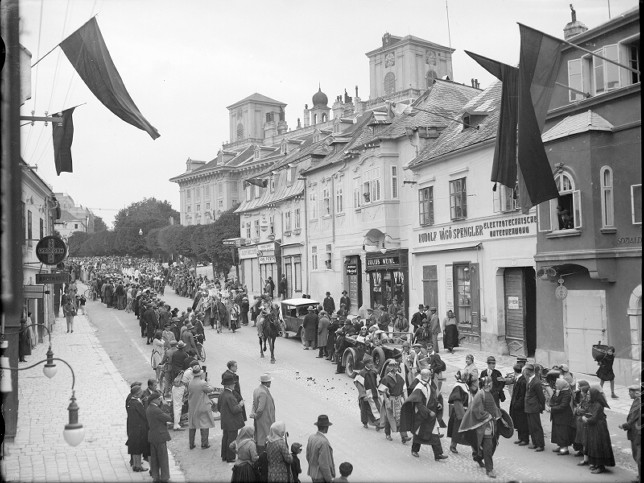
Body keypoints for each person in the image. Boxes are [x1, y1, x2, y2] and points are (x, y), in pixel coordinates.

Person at [400, 368, 448, 461]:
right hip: (422, 416)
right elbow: (419, 404)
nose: (429, 377)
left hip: (430, 416)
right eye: (428, 375)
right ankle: (414, 450)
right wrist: (429, 412)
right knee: (419, 434)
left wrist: (437, 403)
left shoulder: (428, 385)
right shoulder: (419, 388)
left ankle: (438, 454)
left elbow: (432, 397)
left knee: (434, 434)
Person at [459, 376, 501, 478]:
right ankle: (489, 469)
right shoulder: (480, 394)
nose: (492, 384)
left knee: (490, 445)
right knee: (488, 446)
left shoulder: (489, 393)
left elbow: (493, 407)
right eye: (490, 383)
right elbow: (475, 409)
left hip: (490, 424)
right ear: (487, 384)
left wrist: (499, 415)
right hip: (483, 425)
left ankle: (478, 458)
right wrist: (487, 416)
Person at [582, 386, 615, 474]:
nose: (587, 396)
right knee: (594, 445)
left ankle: (601, 467)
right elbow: (588, 412)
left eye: (589, 394)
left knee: (598, 446)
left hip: (599, 429)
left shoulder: (598, 405)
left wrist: (586, 419)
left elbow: (594, 418)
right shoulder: (592, 403)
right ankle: (597, 464)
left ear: (594, 395)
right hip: (593, 428)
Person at [379, 362, 411, 444]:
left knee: (401, 418)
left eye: (397, 366)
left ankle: (404, 436)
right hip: (390, 400)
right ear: (390, 368)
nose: (396, 368)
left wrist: (406, 400)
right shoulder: (386, 379)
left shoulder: (400, 377)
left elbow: (404, 390)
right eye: (394, 366)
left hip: (399, 400)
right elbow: (383, 392)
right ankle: (387, 433)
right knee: (390, 418)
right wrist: (387, 401)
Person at [218, 372, 246, 462]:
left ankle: (224, 455)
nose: (234, 385)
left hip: (225, 420)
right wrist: (240, 405)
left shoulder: (222, 394)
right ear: (229, 385)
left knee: (225, 438)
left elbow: (218, 408)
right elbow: (235, 410)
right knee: (232, 439)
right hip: (232, 422)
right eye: (233, 384)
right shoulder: (230, 396)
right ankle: (230, 457)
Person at [187, 365, 215, 449]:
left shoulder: (190, 382)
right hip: (202, 406)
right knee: (204, 424)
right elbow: (210, 389)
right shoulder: (202, 383)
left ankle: (191, 444)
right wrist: (209, 384)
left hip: (192, 405)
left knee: (192, 425)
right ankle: (204, 443)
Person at [146, 391, 172, 483]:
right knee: (163, 458)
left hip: (152, 436)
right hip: (160, 436)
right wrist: (164, 405)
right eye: (159, 399)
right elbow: (168, 418)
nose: (160, 401)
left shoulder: (149, 408)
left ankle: (155, 476)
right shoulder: (156, 410)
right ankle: (165, 477)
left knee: (154, 459)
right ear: (154, 400)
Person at [619, 384, 641, 482]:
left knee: (638, 455)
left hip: (637, 433)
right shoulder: (637, 401)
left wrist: (624, 425)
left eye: (630, 392)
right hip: (636, 432)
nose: (628, 394)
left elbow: (633, 418)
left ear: (636, 392)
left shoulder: (639, 402)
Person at [549, 378, 576, 455]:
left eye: (557, 384)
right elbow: (553, 399)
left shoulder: (566, 393)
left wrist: (552, 408)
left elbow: (563, 405)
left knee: (563, 432)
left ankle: (564, 448)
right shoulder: (559, 391)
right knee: (558, 431)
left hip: (564, 416)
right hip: (557, 415)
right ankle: (560, 445)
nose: (556, 385)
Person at [126, 386, 150, 472]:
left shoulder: (130, 402)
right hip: (139, 429)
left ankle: (135, 465)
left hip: (133, 428)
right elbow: (144, 415)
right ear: (137, 393)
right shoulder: (137, 403)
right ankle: (138, 466)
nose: (142, 393)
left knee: (135, 448)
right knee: (139, 448)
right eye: (140, 392)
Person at [354, 356, 382, 430]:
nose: (371, 364)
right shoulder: (362, 373)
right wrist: (363, 395)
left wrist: (380, 390)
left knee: (377, 407)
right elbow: (358, 384)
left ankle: (377, 423)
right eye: (369, 363)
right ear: (365, 364)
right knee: (365, 409)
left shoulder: (374, 372)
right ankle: (365, 422)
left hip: (374, 393)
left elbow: (379, 382)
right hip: (366, 393)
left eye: (371, 363)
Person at [251, 373, 276, 454]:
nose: (270, 383)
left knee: (259, 435)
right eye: (270, 381)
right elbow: (260, 408)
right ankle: (262, 453)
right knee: (264, 436)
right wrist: (256, 415)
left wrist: (253, 413)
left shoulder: (257, 389)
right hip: (264, 418)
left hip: (260, 418)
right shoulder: (263, 392)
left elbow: (254, 403)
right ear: (266, 382)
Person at [306, 415, 336, 483]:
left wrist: (313, 467)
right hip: (321, 476)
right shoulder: (323, 442)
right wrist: (329, 479)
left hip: (313, 473)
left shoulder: (311, 437)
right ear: (326, 427)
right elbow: (324, 464)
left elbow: (308, 456)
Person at [523, 363, 545, 452]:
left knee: (536, 426)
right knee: (531, 426)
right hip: (529, 407)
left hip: (534, 407)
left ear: (529, 371)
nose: (525, 372)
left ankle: (540, 444)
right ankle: (535, 443)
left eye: (526, 370)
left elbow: (541, 396)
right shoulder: (530, 380)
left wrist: (541, 407)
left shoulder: (536, 382)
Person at [509, 363, 529, 446]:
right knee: (518, 422)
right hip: (517, 405)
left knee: (523, 423)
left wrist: (517, 404)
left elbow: (522, 395)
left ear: (514, 371)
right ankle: (520, 438)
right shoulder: (519, 379)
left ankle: (525, 439)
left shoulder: (522, 380)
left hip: (520, 406)